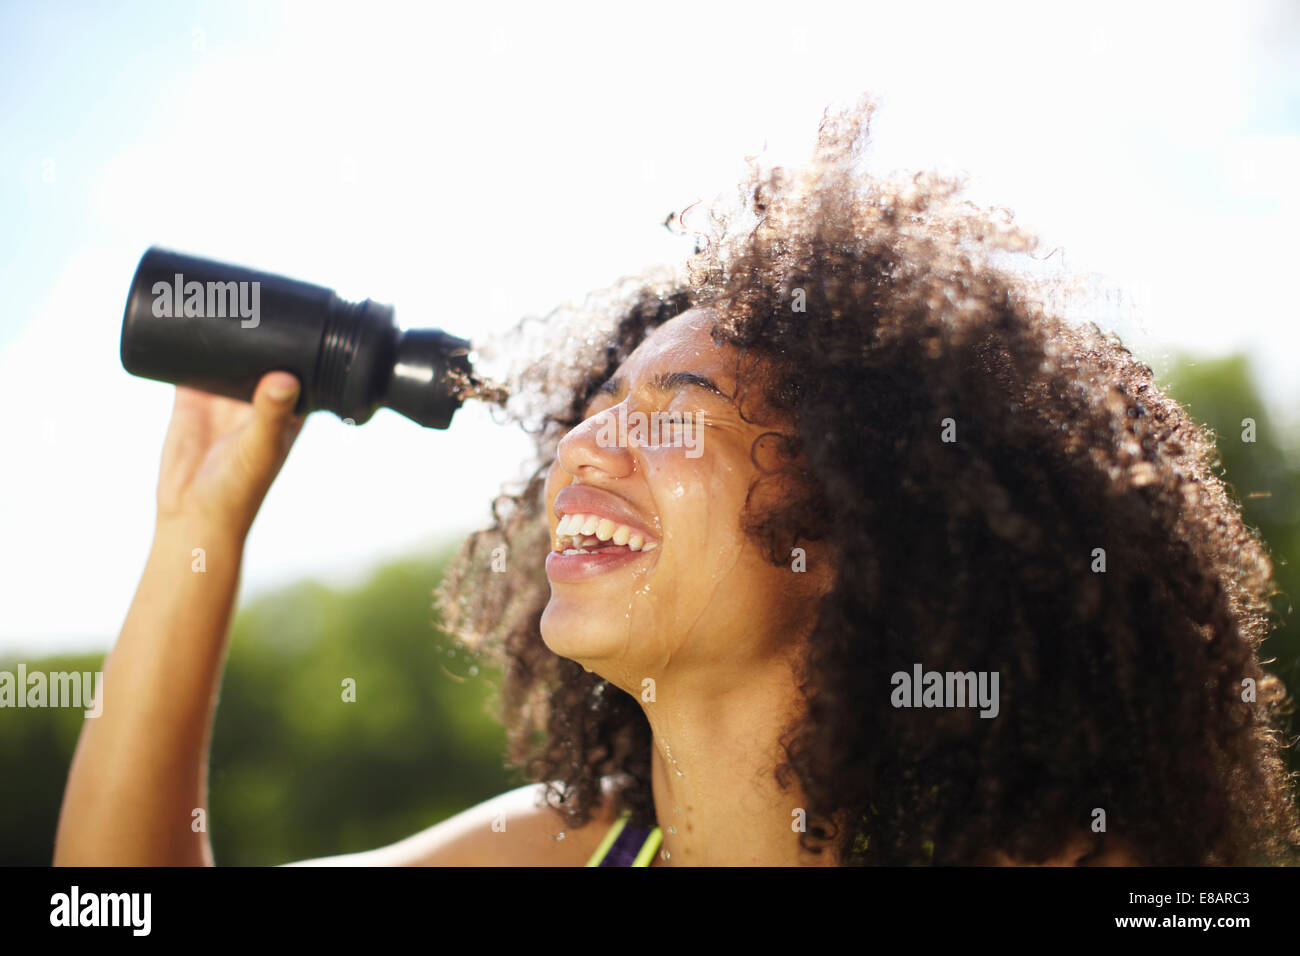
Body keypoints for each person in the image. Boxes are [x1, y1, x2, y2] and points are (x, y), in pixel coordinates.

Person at [55, 98, 1300, 866]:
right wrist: (194, 529)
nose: (586, 445)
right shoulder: (562, 852)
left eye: (678, 407)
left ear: (863, 526)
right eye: (599, 407)